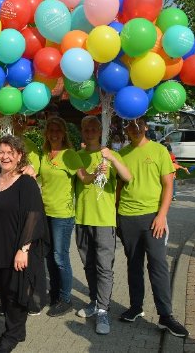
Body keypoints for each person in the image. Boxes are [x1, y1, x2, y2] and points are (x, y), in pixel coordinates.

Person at [116, 117, 188, 338]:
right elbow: (119, 186)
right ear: (125, 128)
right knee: (133, 264)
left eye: (138, 124)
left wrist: (162, 215)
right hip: (126, 217)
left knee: (158, 265)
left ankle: (165, 316)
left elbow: (168, 185)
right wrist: (115, 213)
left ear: (146, 126)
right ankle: (136, 307)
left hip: (152, 219)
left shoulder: (159, 151)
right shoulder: (122, 154)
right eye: (129, 124)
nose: (134, 128)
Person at [0, 135, 47, 353]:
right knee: (4, 289)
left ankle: (12, 335)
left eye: (11, 153)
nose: (5, 156)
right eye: (2, 152)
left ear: (19, 156)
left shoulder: (26, 182)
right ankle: (17, 330)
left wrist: (23, 249)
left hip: (17, 246)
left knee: (16, 290)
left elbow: (34, 215)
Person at [74, 116, 132, 335]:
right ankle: (93, 301)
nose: (89, 132)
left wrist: (113, 159)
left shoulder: (111, 154)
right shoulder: (77, 156)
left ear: (100, 131)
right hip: (82, 218)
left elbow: (128, 177)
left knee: (104, 267)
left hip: (105, 220)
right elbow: (83, 178)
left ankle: (103, 310)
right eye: (86, 128)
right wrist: (95, 172)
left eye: (93, 128)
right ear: (82, 131)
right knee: (88, 264)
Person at [38, 116, 100, 317]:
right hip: (44, 212)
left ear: (64, 133)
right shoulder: (45, 154)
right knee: (49, 256)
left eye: (58, 130)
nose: (54, 133)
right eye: (51, 130)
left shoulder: (70, 155)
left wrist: (97, 172)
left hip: (62, 215)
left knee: (60, 257)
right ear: (47, 133)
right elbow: (39, 178)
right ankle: (54, 294)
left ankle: (66, 299)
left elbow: (84, 178)